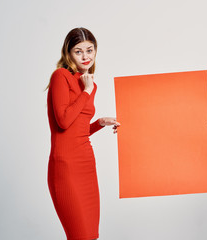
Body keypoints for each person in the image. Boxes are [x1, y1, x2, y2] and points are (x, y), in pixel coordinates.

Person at [46, 27, 120, 240]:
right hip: (66, 167)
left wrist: (99, 123)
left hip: (86, 164)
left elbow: (76, 130)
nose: (85, 56)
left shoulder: (90, 84)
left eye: (90, 50)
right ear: (68, 53)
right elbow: (63, 121)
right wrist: (86, 91)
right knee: (80, 236)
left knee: (91, 235)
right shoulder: (61, 76)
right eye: (78, 51)